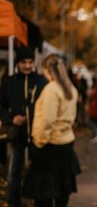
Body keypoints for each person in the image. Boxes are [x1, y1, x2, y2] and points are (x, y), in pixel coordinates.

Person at [22, 53, 81, 207]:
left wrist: (39, 142)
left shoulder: (51, 89)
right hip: (67, 143)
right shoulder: (70, 88)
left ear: (47, 70)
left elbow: (46, 120)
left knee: (44, 191)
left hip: (50, 145)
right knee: (62, 186)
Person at [0, 46, 47, 207]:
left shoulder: (41, 81)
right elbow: (1, 105)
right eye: (23, 62)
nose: (27, 66)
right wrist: (12, 118)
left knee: (40, 170)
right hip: (17, 134)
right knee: (14, 171)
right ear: (18, 63)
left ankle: (39, 200)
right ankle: (14, 202)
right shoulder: (9, 82)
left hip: (38, 134)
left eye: (30, 62)